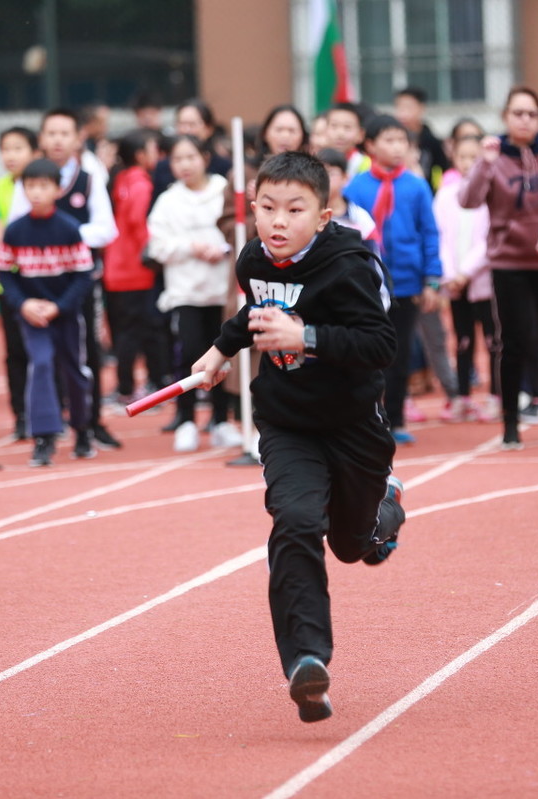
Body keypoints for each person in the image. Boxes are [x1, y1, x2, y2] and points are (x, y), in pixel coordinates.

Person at [190, 151, 404, 723]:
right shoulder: (254, 258)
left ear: (324, 215)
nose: (277, 221)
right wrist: (220, 351)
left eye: (294, 209)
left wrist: (305, 335)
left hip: (354, 424)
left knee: (353, 546)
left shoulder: (353, 264)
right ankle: (306, 660)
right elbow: (254, 311)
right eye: (266, 208)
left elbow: (382, 346)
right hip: (286, 422)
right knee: (297, 521)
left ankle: (384, 507)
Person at [460, 86, 538, 450]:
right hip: (508, 262)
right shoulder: (492, 158)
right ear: (505, 117)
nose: (524, 120)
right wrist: (483, 163)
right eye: (517, 113)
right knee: (513, 339)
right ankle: (510, 420)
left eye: (531, 114)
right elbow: (468, 200)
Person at [11, 108, 122, 449]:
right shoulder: (29, 178)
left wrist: (66, 237)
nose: (57, 140)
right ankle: (47, 423)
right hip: (37, 285)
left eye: (65, 133)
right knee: (41, 358)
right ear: (41, 139)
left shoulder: (91, 177)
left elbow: (106, 229)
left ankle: (90, 422)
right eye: (51, 133)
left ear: (78, 139)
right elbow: (17, 226)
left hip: (79, 282)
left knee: (85, 356)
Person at [346, 115, 441, 444]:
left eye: (402, 140)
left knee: (399, 355)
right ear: (369, 146)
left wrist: (432, 279)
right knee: (366, 354)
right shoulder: (355, 187)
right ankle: (366, 417)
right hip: (367, 284)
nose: (397, 147)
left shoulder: (416, 186)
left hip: (407, 281)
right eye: (389, 140)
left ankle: (395, 418)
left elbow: (430, 233)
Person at [0, 158, 97, 466]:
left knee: (74, 372)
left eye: (43, 186)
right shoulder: (14, 230)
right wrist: (24, 304)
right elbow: (4, 273)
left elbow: (84, 274)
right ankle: (44, 437)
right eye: (30, 186)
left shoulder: (69, 229)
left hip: (65, 316)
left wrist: (59, 306)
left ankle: (82, 429)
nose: (36, 192)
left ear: (57, 189)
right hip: (32, 317)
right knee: (40, 364)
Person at [146, 135, 241, 452]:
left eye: (190, 157)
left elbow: (239, 229)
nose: (184, 165)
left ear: (205, 157)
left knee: (222, 356)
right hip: (186, 292)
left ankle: (221, 420)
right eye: (177, 159)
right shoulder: (168, 200)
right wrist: (192, 248)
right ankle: (186, 420)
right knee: (189, 354)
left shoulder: (222, 190)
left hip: (221, 291)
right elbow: (157, 245)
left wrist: (224, 248)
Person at [435, 133, 496, 422]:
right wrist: (451, 274)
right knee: (462, 340)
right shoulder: (446, 195)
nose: (469, 163)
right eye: (463, 157)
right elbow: (441, 237)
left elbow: (489, 240)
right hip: (455, 284)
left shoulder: (492, 193)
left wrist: (467, 271)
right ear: (453, 158)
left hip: (483, 282)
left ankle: (496, 396)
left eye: (475, 157)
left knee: (493, 339)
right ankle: (462, 397)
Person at [104, 129, 166, 408]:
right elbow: (138, 222)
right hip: (134, 267)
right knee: (141, 329)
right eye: (152, 148)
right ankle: (136, 385)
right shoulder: (141, 183)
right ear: (141, 155)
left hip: (117, 263)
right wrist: (153, 251)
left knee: (126, 329)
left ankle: (128, 385)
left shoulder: (121, 179)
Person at [0, 126, 38, 440]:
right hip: (11, 282)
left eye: (18, 148)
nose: (10, 155)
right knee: (16, 352)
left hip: (46, 280)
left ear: (34, 151)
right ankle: (21, 414)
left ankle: (52, 410)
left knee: (48, 352)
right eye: (5, 149)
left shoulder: (45, 182)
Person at [393, 87, 450, 191]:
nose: (403, 113)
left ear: (421, 108)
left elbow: (441, 170)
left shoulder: (432, 142)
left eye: (408, 108)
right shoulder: (391, 141)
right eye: (399, 107)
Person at [324, 102, 368, 175]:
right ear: (325, 130)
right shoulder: (318, 161)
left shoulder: (365, 164)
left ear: (360, 134)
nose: (340, 133)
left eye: (347, 127)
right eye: (334, 126)